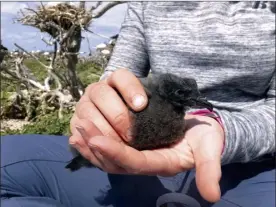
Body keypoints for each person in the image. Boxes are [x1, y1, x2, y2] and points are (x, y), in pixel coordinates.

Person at [1, 2, 275, 207]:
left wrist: (222, 130)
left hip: (252, 167)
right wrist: (101, 109)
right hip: (140, 153)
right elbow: (117, 78)